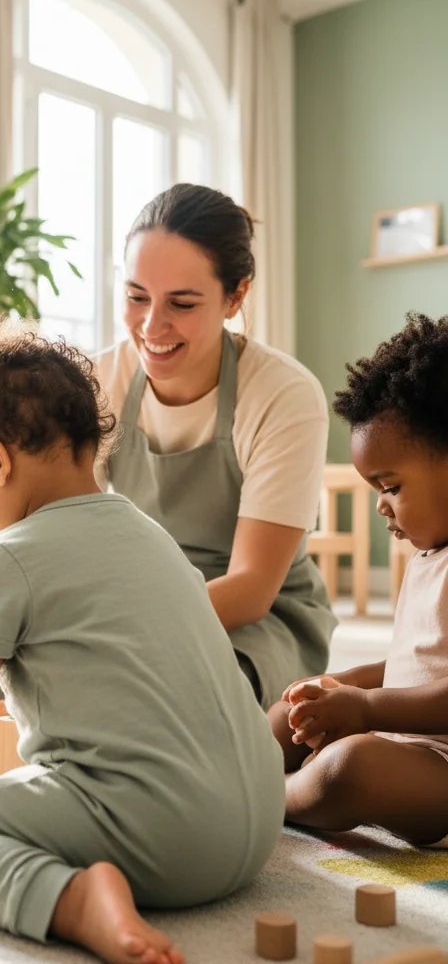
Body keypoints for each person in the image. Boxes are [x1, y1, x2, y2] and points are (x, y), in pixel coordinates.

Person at [0, 319, 284, 964]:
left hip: (169, 841)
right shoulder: (151, 536)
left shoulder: (6, 556)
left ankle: (75, 900)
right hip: (258, 821)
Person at [0, 183, 337, 710]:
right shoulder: (99, 378)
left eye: (182, 303)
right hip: (121, 596)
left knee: (165, 700)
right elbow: (48, 524)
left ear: (235, 296)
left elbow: (250, 588)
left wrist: (91, 624)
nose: (152, 326)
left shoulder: (284, 394)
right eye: (136, 297)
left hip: (249, 622)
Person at [271, 313, 448, 846]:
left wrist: (368, 708)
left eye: (390, 486)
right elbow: (412, 663)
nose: (381, 507)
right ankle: (239, 770)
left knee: (350, 768)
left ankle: (265, 798)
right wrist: (346, 684)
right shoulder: (429, 556)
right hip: (408, 742)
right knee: (289, 712)